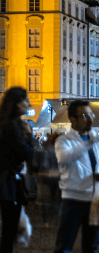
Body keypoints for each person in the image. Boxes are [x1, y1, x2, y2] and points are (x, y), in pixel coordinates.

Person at [0, 86, 35, 253]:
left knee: (9, 231)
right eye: (26, 100)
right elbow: (26, 153)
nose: (29, 103)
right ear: (17, 104)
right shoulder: (14, 126)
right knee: (9, 232)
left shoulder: (8, 124)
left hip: (6, 180)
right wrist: (29, 136)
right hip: (9, 182)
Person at [53, 100, 99, 253]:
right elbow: (64, 158)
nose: (90, 118)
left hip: (94, 201)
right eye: (84, 115)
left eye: (90, 114)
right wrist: (88, 143)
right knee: (64, 247)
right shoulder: (63, 141)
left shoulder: (95, 140)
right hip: (73, 201)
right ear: (73, 120)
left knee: (91, 247)